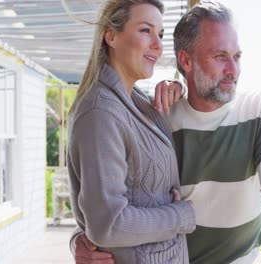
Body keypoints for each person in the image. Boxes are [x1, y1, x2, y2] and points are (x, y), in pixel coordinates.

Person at [71, 0, 261, 263]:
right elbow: (108, 210)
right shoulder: (152, 117)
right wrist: (82, 238)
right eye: (220, 56)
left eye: (237, 56)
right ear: (185, 60)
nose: (233, 70)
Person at [66, 0, 196, 263]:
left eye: (160, 34)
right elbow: (109, 224)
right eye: (145, 30)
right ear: (111, 36)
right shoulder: (100, 113)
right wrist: (182, 215)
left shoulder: (135, 101)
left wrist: (179, 88)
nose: (158, 46)